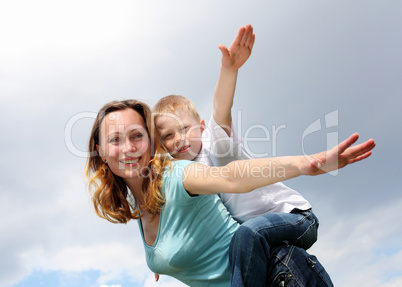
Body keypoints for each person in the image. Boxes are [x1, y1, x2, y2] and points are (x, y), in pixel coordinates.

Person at [85, 99, 375, 286]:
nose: (128, 147)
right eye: (115, 139)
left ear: (151, 142)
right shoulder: (139, 205)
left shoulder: (177, 175)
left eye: (137, 135)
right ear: (100, 151)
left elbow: (232, 177)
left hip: (282, 276)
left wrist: (305, 164)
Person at [152, 24, 319, 283]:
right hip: (262, 237)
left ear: (202, 127)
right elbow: (173, 212)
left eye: (184, 128)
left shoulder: (216, 146)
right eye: (168, 136)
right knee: (246, 240)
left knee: (247, 234)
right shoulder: (186, 176)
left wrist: (228, 71)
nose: (179, 139)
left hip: (295, 218)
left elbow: (221, 108)